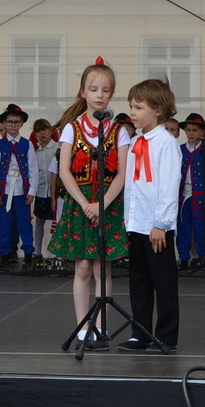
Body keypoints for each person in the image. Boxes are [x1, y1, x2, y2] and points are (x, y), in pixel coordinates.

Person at [47, 59, 131, 349]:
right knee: (82, 267)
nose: (99, 95)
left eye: (105, 90)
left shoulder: (119, 130)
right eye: (93, 89)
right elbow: (64, 170)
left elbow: (122, 173)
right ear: (82, 91)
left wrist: (102, 204)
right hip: (80, 203)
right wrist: (85, 203)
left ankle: (101, 327)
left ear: (112, 94)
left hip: (108, 203)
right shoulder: (71, 128)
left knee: (102, 269)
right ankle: (83, 327)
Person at [120, 78, 181, 354]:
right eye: (131, 107)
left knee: (163, 281)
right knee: (139, 281)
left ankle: (166, 335)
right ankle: (141, 333)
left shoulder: (166, 143)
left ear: (158, 110)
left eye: (138, 107)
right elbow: (132, 185)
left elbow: (168, 185)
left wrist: (161, 223)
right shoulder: (136, 141)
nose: (132, 112)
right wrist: (128, 219)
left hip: (157, 226)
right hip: (137, 223)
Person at [0, 104, 34, 266]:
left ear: (21, 123)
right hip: (5, 190)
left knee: (24, 223)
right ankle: (4, 253)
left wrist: (32, 190)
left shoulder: (27, 144)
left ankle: (28, 253)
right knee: (5, 223)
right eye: (10, 122)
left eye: (16, 122)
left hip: (22, 190)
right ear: (4, 123)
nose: (13, 125)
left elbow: (33, 169)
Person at [177, 112, 205, 267]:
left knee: (200, 226)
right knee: (183, 225)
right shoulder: (179, 150)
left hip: (199, 194)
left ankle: (203, 256)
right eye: (188, 130)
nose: (191, 133)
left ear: (202, 132)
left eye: (195, 130)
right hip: (183, 194)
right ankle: (184, 257)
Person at [30, 118, 58, 260]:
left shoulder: (58, 148)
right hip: (41, 191)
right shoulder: (35, 152)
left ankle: (58, 251)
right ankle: (37, 251)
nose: (42, 134)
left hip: (57, 191)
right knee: (39, 221)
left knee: (58, 221)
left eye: (44, 130)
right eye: (38, 131)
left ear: (50, 131)